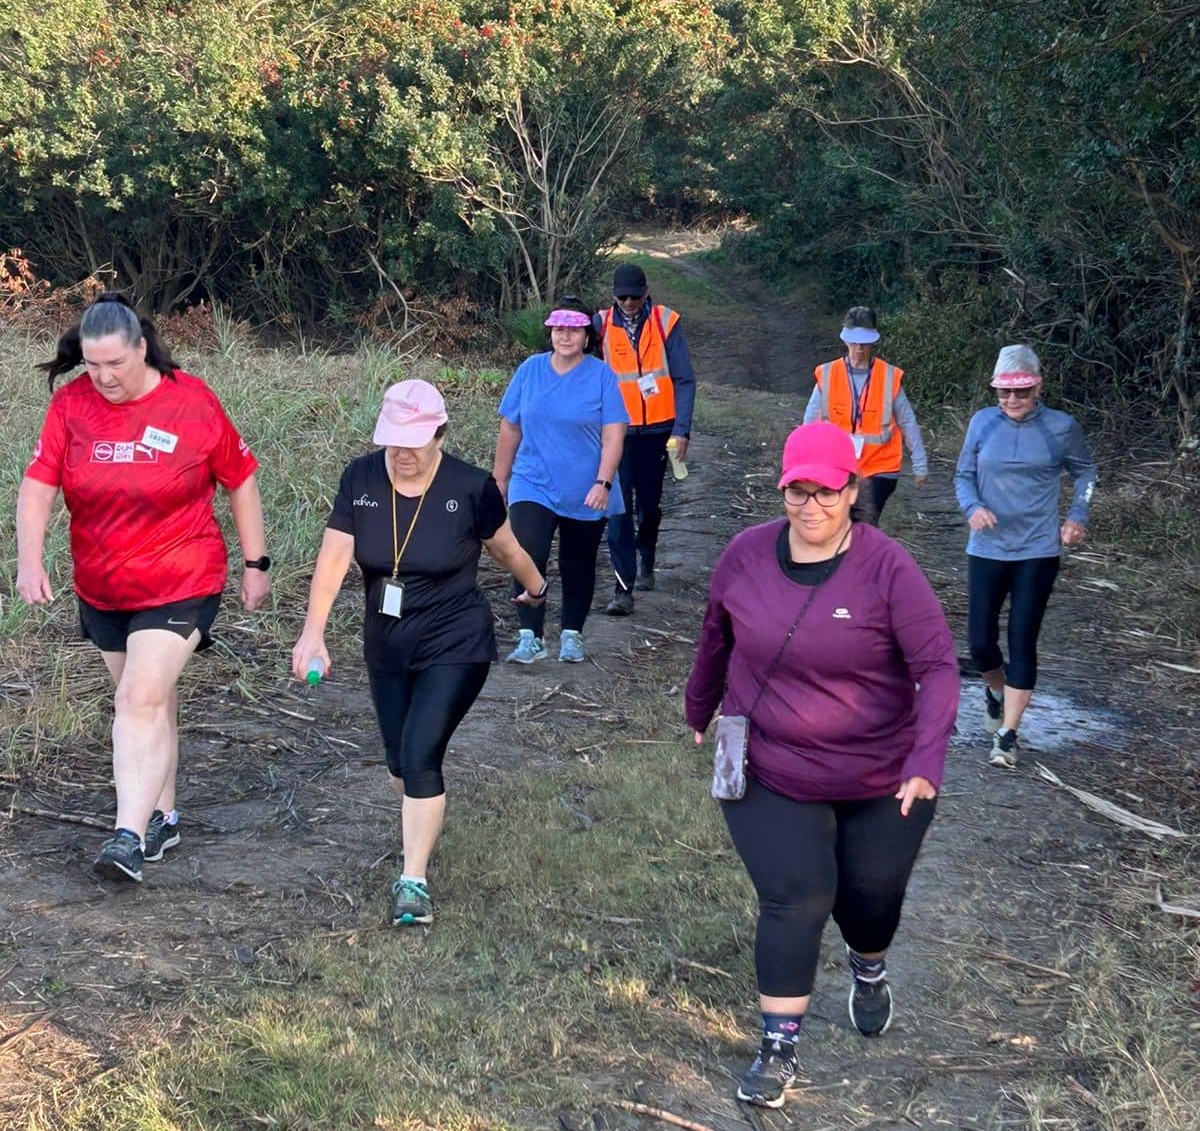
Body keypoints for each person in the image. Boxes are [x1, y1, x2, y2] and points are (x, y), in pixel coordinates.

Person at [685, 421, 958, 1110]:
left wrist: (927, 757)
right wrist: (699, 707)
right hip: (771, 762)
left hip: (881, 772)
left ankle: (868, 965)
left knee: (869, 900)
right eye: (796, 491)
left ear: (853, 490)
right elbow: (716, 637)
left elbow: (937, 666)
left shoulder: (888, 567)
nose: (810, 506)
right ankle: (778, 1047)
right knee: (796, 894)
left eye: (826, 492)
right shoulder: (745, 557)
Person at [15, 291, 271, 884]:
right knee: (149, 703)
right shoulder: (71, 405)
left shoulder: (192, 401)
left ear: (141, 347)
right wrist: (30, 560)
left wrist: (255, 563)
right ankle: (163, 815)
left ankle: (126, 838)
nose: (102, 377)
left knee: (136, 700)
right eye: (91, 364)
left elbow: (241, 478)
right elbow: (37, 486)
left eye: (115, 364)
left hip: (183, 576)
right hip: (103, 585)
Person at [291, 379, 547, 926]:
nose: (402, 454)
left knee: (421, 754)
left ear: (439, 433)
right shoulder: (360, 478)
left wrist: (537, 587)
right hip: (386, 642)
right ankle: (419, 820)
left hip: (456, 639)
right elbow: (335, 557)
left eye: (413, 441)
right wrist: (313, 631)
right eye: (392, 441)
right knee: (399, 762)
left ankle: (413, 883)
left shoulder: (470, 486)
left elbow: (505, 547)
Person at [954, 345, 1097, 768]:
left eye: (1022, 392)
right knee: (980, 643)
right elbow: (963, 475)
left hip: (1037, 550)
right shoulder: (982, 423)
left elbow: (1086, 471)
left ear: (1038, 387)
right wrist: (972, 508)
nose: (1012, 401)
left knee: (1022, 639)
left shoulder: (1060, 427)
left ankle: (1007, 734)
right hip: (987, 548)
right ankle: (995, 690)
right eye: (1004, 393)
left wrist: (1077, 515)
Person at [493, 297, 627, 663]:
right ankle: (529, 635)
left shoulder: (602, 376)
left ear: (587, 335)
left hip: (585, 487)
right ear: (550, 332)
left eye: (574, 330)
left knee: (577, 562)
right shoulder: (530, 370)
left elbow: (614, 435)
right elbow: (510, 426)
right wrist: (499, 480)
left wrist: (603, 483)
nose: (565, 336)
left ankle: (571, 634)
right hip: (532, 481)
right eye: (559, 329)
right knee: (526, 553)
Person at [597, 263, 696, 615]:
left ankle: (647, 559)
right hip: (617, 433)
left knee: (649, 507)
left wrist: (682, 429)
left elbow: (684, 379)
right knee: (619, 509)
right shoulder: (600, 324)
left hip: (657, 430)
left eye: (634, 297)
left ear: (645, 292)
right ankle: (623, 590)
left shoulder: (666, 322)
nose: (627, 303)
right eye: (621, 297)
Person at [804, 306, 928, 525]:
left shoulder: (889, 376)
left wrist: (920, 463)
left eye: (864, 342)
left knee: (863, 521)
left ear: (873, 342)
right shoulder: (828, 374)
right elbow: (810, 423)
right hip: (838, 464)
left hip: (881, 467)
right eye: (854, 341)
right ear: (845, 340)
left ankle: (862, 554)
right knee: (838, 522)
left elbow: (907, 420)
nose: (859, 348)